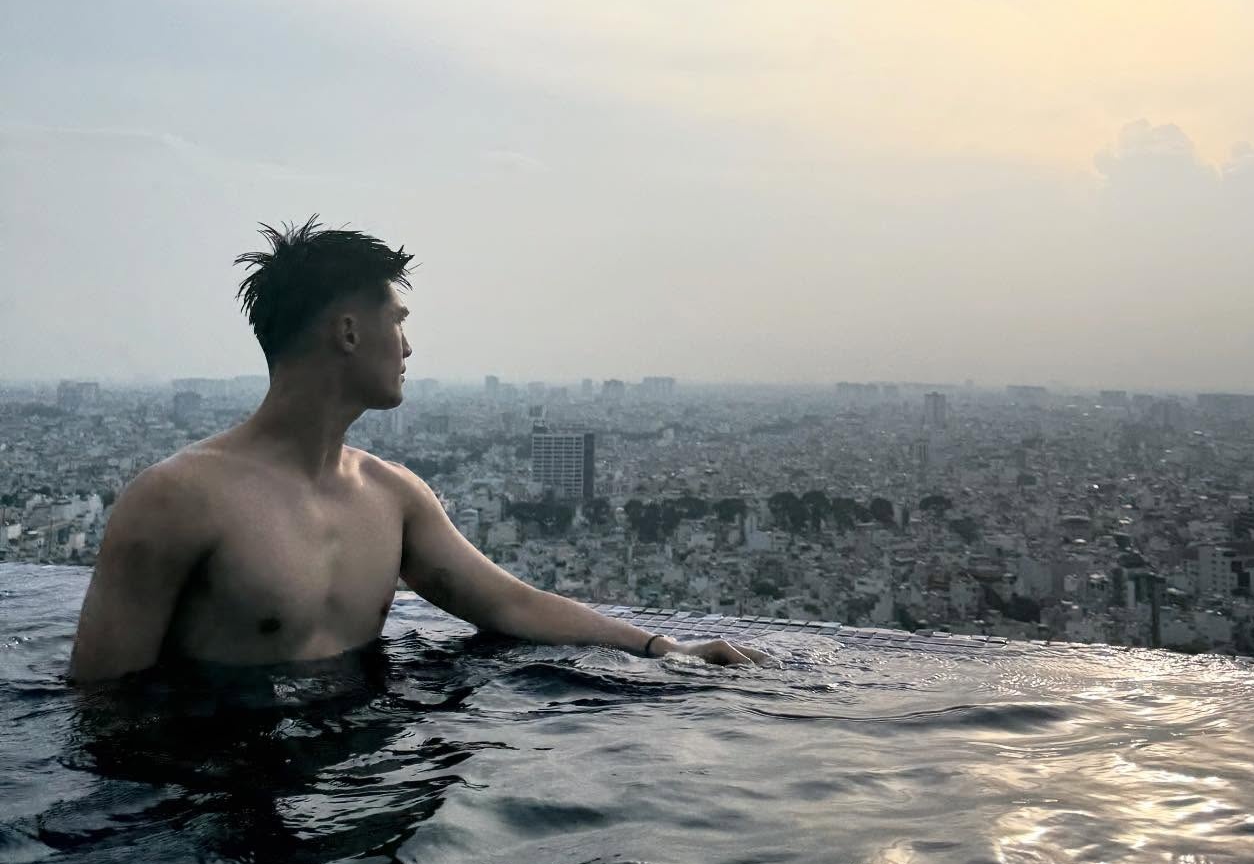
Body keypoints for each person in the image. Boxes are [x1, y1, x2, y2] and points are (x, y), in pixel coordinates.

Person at [67, 217, 766, 683]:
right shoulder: (178, 500)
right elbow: (100, 705)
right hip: (213, 819)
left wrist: (661, 647)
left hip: (356, 798)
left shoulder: (393, 497)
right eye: (397, 322)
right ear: (348, 332)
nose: (407, 347)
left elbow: (511, 604)